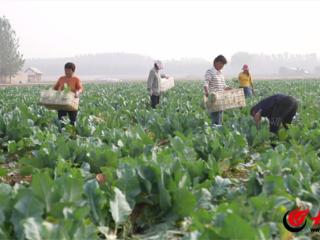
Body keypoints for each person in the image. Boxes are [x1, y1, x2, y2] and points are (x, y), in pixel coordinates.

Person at [204, 55, 231, 127]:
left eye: (223, 64)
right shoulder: (210, 71)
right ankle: (213, 134)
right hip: (213, 98)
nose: (222, 66)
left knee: (220, 117)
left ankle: (218, 133)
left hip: (221, 98)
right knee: (215, 118)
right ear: (215, 62)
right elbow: (206, 83)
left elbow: (223, 85)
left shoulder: (220, 73)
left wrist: (229, 88)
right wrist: (207, 92)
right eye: (221, 63)